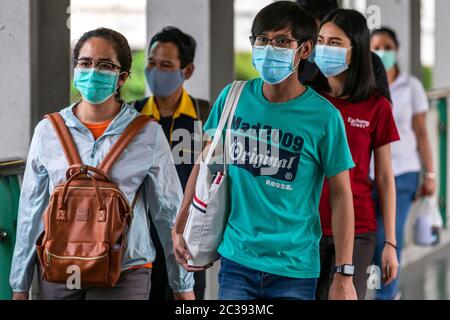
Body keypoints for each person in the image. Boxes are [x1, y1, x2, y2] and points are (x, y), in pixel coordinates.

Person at [173, 1, 357, 300]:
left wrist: (344, 273)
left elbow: (341, 195)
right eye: (262, 40)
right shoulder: (233, 97)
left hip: (294, 267)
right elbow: (205, 162)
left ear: (305, 50)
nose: (270, 49)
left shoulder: (324, 117)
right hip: (237, 260)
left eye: (283, 41)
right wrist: (181, 222)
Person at [9, 28, 194, 300]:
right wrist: (19, 285)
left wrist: (183, 286)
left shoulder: (147, 133)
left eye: (105, 65)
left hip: (126, 269)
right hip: (59, 265)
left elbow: (169, 213)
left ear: (122, 78)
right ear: (75, 69)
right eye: (85, 63)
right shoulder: (48, 131)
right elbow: (30, 213)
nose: (93, 71)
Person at [309, 9, 400, 300]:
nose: (324, 49)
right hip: (305, 226)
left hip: (357, 230)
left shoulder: (377, 107)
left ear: (355, 50)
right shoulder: (306, 99)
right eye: (321, 40)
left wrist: (391, 242)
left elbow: (385, 176)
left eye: (334, 43)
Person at [133, 26, 210, 300]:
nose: (156, 71)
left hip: (188, 238)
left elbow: (219, 177)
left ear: (187, 71)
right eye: (151, 63)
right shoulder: (132, 115)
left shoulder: (205, 115)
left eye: (166, 65)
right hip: (140, 239)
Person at [371, 27, 435, 300]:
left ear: (396, 49)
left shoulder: (412, 86)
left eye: (387, 47)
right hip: (369, 172)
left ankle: (387, 295)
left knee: (389, 233)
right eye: (376, 47)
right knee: (371, 236)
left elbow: (421, 133)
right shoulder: (367, 85)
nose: (382, 52)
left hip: (404, 172)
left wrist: (430, 174)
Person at [296, 0, 391, 102]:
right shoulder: (295, 60)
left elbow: (383, 109)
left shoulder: (371, 62)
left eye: (333, 42)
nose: (305, 34)